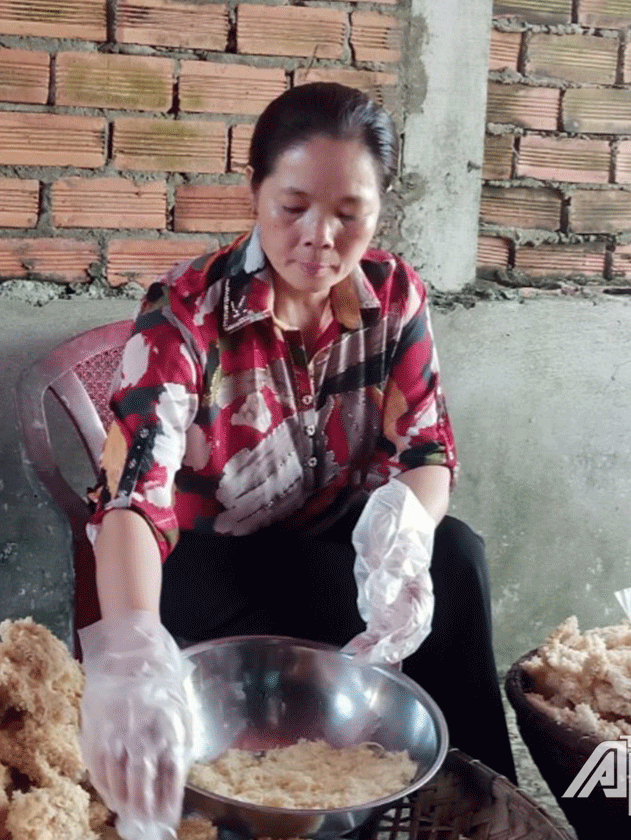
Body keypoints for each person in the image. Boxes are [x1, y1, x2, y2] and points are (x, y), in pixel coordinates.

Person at [77, 82, 517, 840]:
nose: (320, 237)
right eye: (293, 207)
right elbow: (133, 498)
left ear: (379, 210)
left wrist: (403, 532)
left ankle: (479, 802)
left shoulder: (395, 296)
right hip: (201, 563)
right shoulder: (186, 311)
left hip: (319, 542)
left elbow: (427, 449)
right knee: (234, 679)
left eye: (350, 213)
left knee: (455, 555)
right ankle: (261, 800)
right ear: (255, 194)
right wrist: (132, 646)